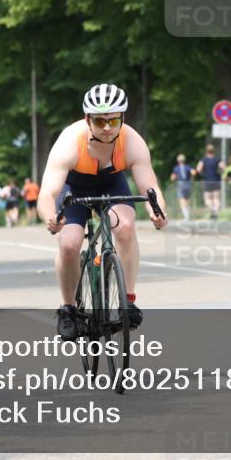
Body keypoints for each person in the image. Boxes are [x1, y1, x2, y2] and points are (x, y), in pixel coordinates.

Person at [38, 83, 168, 342]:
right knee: (69, 244)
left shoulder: (132, 142)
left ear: (123, 118)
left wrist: (159, 211)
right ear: (88, 119)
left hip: (111, 184)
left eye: (113, 120)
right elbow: (47, 193)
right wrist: (50, 217)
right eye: (99, 121)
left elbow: (149, 185)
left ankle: (127, 301)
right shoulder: (69, 142)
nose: (107, 127)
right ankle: (68, 309)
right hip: (73, 189)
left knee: (126, 227)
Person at [195, 144, 224, 221]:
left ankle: (212, 210)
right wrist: (220, 172)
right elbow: (224, 167)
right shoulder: (217, 159)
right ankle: (215, 213)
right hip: (216, 180)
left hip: (207, 180)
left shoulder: (203, 160)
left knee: (207, 199)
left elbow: (198, 169)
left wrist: (202, 172)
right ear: (213, 151)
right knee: (216, 198)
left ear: (206, 151)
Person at [170, 154, 195, 221]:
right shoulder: (187, 167)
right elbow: (193, 172)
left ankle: (186, 216)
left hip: (181, 184)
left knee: (182, 200)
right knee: (187, 199)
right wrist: (192, 178)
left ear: (178, 161)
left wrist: (174, 179)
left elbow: (172, 177)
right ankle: (188, 214)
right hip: (188, 183)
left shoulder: (176, 168)